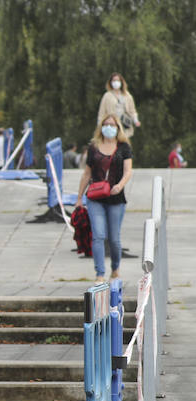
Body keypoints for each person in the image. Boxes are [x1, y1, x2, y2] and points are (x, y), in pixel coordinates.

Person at [77, 117, 134, 284]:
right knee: (98, 235)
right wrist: (79, 197)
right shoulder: (93, 148)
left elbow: (128, 171)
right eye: (106, 125)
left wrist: (120, 185)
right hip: (95, 197)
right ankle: (99, 273)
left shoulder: (124, 147)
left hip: (116, 198)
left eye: (112, 125)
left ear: (118, 128)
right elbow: (87, 173)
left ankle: (115, 269)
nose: (109, 127)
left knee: (114, 238)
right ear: (101, 127)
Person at [98, 73, 140, 138]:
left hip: (124, 125)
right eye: (114, 80)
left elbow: (132, 110)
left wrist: (136, 120)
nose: (116, 82)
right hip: (111, 125)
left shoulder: (127, 96)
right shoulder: (107, 96)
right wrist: (99, 125)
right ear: (110, 82)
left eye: (117, 80)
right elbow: (102, 112)